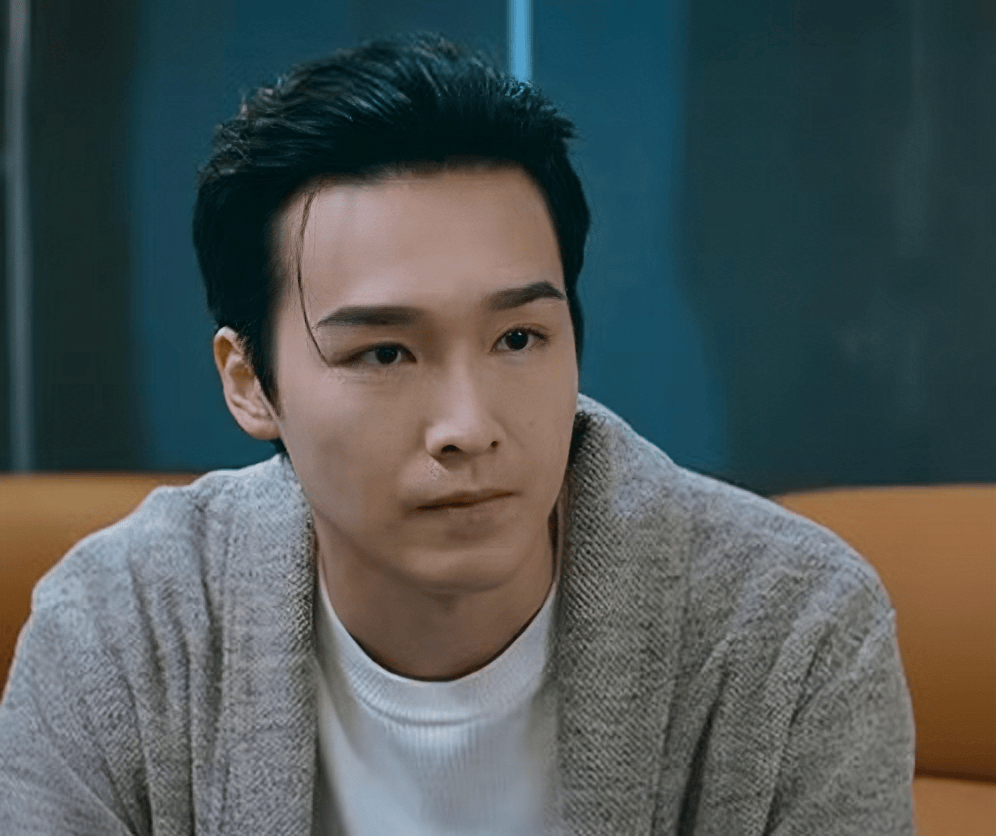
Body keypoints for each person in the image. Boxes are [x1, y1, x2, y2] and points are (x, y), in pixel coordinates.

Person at [0, 30, 915, 835]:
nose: (468, 427)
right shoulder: (122, 637)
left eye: (518, 339)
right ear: (250, 385)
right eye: (385, 353)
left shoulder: (791, 638)